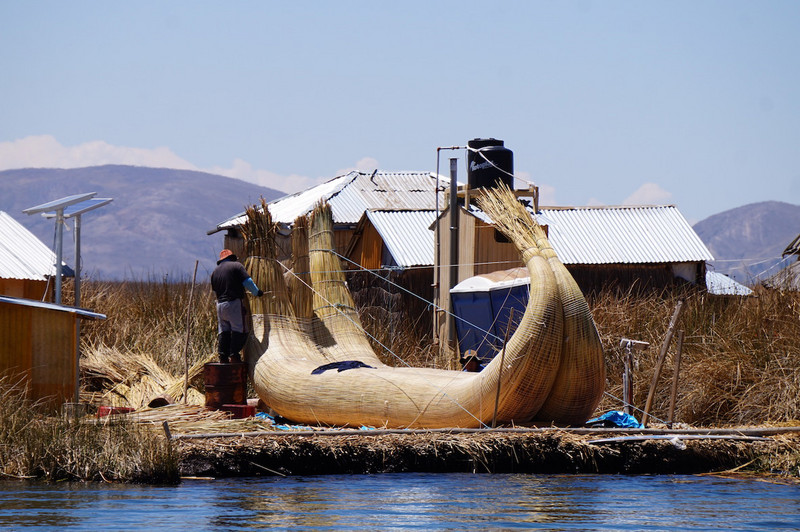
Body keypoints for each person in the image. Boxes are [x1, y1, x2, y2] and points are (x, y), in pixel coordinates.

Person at [211, 249, 263, 363]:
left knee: (224, 332)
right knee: (240, 330)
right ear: (232, 258)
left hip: (220, 305)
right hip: (233, 303)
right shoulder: (236, 266)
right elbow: (247, 281)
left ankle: (223, 357)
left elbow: (215, 289)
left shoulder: (215, 271)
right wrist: (257, 292)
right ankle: (234, 355)